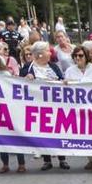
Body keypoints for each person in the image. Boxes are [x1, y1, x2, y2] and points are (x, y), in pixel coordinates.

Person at [21, 41, 71, 172]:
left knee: (58, 131)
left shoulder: (53, 66)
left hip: (56, 105)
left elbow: (61, 79)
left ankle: (62, 159)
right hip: (38, 106)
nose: (50, 53)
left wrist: (64, 82)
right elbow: (18, 85)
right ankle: (47, 160)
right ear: (39, 54)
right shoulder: (28, 67)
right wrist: (26, 78)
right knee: (43, 132)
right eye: (47, 51)